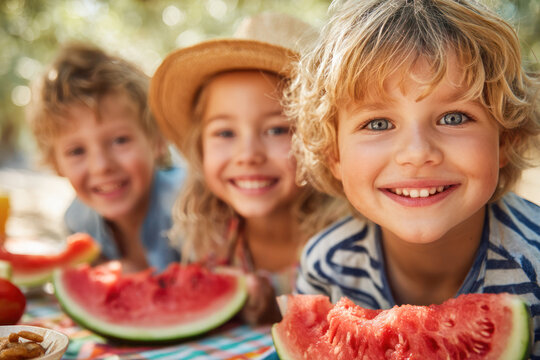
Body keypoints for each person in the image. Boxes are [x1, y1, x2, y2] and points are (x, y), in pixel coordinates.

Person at [286, 0, 540, 355]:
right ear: (335, 156)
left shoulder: (534, 262)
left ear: (505, 140)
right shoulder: (328, 267)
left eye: (453, 117)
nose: (417, 153)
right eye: (378, 124)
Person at [150, 12, 348, 324]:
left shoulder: (348, 244)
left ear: (321, 139)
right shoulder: (213, 238)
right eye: (225, 133)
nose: (248, 155)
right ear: (200, 147)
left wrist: (275, 306)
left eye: (276, 130)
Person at [27, 43, 185, 273]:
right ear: (56, 163)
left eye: (120, 140)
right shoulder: (78, 222)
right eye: (76, 151)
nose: (101, 166)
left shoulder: (190, 206)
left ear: (158, 141)